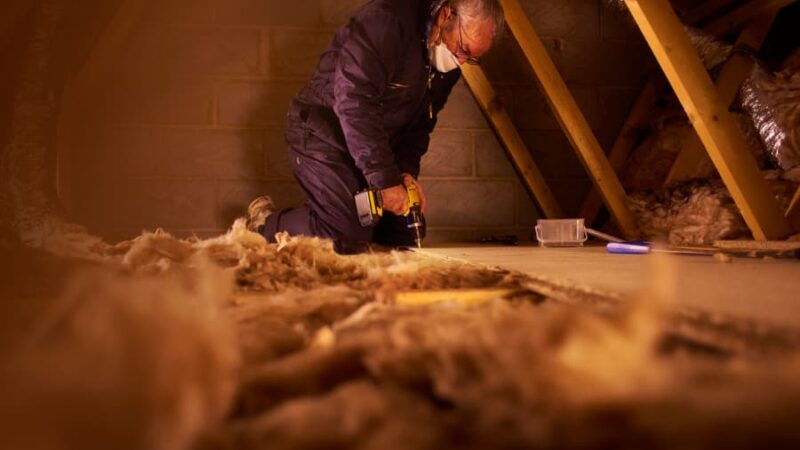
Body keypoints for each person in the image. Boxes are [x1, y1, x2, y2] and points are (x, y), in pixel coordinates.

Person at [247, 0, 504, 254]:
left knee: (402, 236)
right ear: (446, 15)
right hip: (323, 135)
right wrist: (383, 180)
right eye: (462, 48)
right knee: (345, 235)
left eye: (471, 58)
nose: (460, 60)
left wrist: (405, 174)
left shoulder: (448, 63)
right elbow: (354, 101)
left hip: (370, 147)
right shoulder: (386, 21)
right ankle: (264, 226)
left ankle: (349, 218)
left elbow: (421, 123)